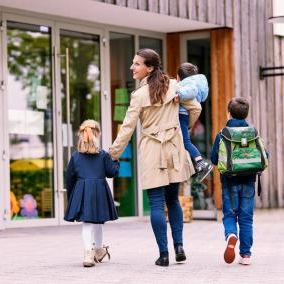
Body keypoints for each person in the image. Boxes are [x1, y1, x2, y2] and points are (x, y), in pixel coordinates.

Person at [109, 49, 201, 266]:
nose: (132, 67)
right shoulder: (174, 86)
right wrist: (183, 130)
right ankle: (179, 246)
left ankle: (164, 254)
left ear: (149, 67)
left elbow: (127, 128)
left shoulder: (139, 95)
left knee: (157, 204)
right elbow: (195, 107)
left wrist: (113, 153)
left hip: (152, 149)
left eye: (136, 64)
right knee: (173, 200)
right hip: (174, 148)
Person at [210, 97, 261, 265]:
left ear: (229, 114)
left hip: (229, 183)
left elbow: (214, 159)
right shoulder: (253, 133)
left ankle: (231, 235)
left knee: (230, 214)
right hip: (248, 182)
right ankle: (245, 255)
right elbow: (264, 156)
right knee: (246, 218)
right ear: (246, 114)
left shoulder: (222, 134)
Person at [64, 119, 119, 268]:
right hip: (100, 190)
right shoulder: (103, 155)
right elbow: (112, 173)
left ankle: (90, 252)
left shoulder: (75, 156)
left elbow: (69, 178)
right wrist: (115, 160)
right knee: (98, 221)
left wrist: (72, 196)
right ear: (98, 135)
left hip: (83, 192)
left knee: (87, 223)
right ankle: (98, 250)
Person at [176, 62, 213, 182]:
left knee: (185, 142)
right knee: (184, 142)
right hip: (187, 115)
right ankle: (198, 164)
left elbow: (191, 90)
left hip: (182, 114)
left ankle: (201, 163)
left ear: (179, 77)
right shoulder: (194, 82)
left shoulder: (189, 84)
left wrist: (178, 93)